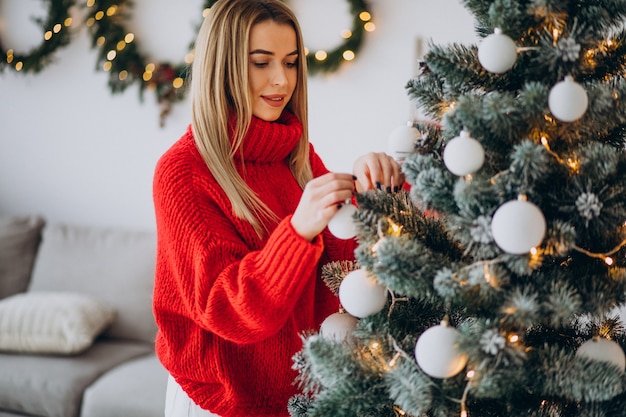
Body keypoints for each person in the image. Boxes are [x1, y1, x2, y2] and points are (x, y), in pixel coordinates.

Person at [151, 1, 404, 416]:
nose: (281, 80)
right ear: (224, 65)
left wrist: (372, 190)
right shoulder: (182, 173)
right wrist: (297, 233)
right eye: (260, 62)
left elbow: (339, 266)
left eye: (290, 63)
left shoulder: (293, 151)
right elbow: (226, 309)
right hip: (221, 402)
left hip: (303, 396)